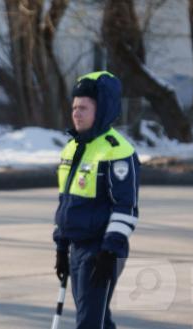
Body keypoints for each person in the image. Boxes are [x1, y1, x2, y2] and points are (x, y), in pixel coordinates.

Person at [53, 71, 140, 329]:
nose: (76, 113)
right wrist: (61, 246)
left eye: (84, 107)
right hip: (77, 248)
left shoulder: (117, 151)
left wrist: (109, 250)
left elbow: (126, 208)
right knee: (98, 319)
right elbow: (66, 203)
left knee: (89, 323)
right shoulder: (73, 148)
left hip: (101, 250)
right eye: (74, 107)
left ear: (100, 110)